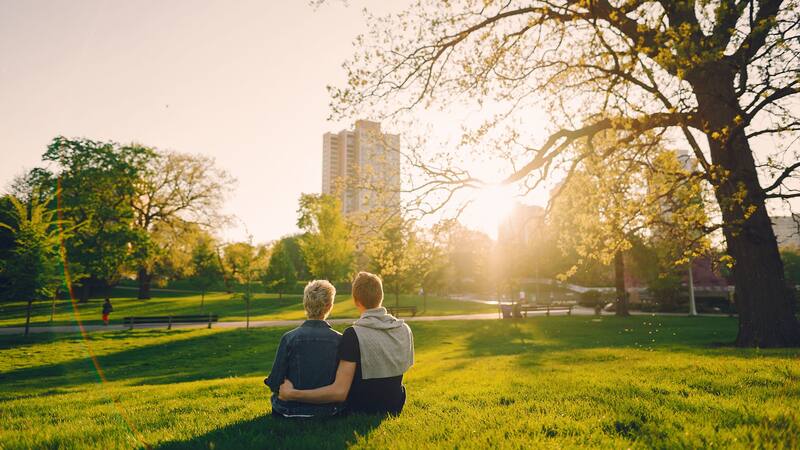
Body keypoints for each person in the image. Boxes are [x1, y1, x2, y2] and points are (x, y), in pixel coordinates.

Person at [279, 272, 414, 416]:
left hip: (362, 408)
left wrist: (292, 394)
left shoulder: (354, 335)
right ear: (381, 296)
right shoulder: (404, 329)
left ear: (356, 300)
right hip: (395, 405)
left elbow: (339, 392)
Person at [265, 280, 343, 418]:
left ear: (305, 304)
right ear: (329, 306)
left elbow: (275, 383)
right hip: (329, 410)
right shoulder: (339, 340)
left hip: (289, 409)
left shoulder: (289, 338)